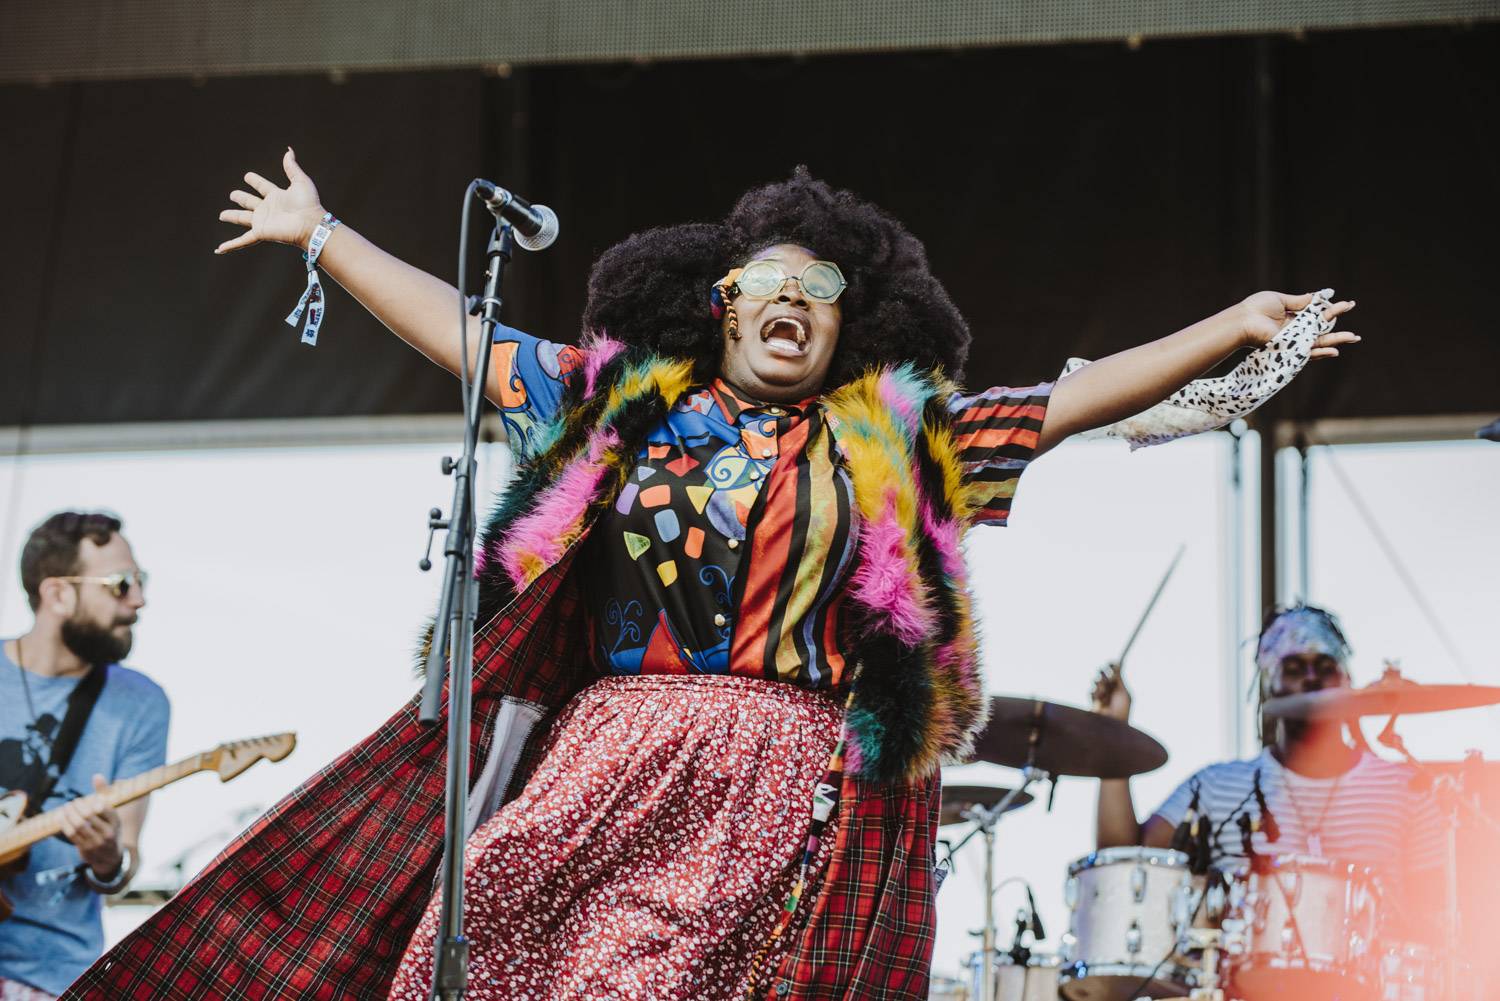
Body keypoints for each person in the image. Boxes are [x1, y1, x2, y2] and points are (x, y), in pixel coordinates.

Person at [66, 152, 1356, 1001]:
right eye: (769, 284)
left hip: (782, 767)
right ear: (722, 303)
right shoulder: (620, 406)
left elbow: (1066, 402)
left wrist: (1230, 328)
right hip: (606, 747)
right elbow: (470, 340)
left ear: (851, 325)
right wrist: (325, 234)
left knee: (656, 974)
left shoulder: (894, 440)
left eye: (824, 290)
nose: (795, 300)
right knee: (483, 937)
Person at [1091, 604, 1444, 932]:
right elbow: (1121, 861)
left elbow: (1439, 916)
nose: (1310, 679)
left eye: (1325, 668)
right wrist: (1110, 734)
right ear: (1268, 685)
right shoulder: (1217, 785)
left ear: (1346, 681)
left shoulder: (1405, 788)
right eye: (1293, 668)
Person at [0, 512, 169, 1001]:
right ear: (57, 594)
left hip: (53, 978)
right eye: (120, 584)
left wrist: (107, 856)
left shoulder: (141, 703)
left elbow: (124, 864)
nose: (138, 600)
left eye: (140, 581)